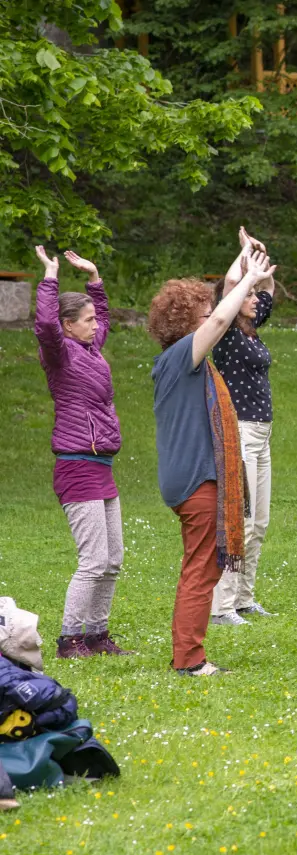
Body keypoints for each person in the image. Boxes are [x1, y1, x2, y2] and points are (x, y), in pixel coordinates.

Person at [148, 248, 275, 676]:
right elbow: (221, 318)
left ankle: (189, 654)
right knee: (200, 573)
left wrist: (240, 265)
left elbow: (216, 314)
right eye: (204, 316)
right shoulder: (182, 358)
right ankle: (189, 660)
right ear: (187, 326)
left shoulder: (183, 362)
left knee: (200, 569)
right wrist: (246, 283)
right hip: (195, 480)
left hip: (192, 478)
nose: (215, 320)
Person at [31, 246, 129, 658]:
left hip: (101, 466)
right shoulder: (58, 352)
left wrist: (94, 279)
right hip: (76, 466)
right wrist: (50, 278)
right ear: (67, 326)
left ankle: (97, 635)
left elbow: (103, 318)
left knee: (114, 559)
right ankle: (69, 638)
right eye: (85, 320)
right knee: (93, 560)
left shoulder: (89, 348)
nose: (95, 326)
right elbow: (44, 327)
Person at [209, 228, 279, 625]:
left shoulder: (251, 329)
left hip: (262, 434)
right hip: (240, 432)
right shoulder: (228, 335)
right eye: (249, 297)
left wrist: (260, 259)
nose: (256, 300)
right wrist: (242, 255)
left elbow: (266, 291)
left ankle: (245, 598)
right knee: (243, 520)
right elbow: (232, 286)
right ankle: (222, 606)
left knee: (261, 522)